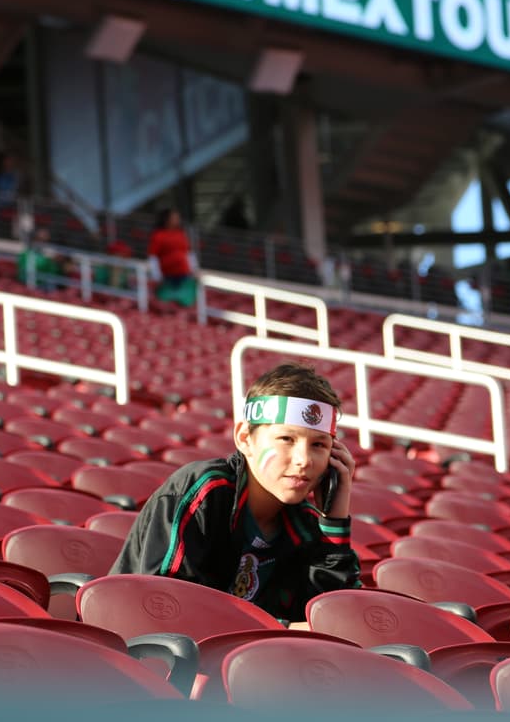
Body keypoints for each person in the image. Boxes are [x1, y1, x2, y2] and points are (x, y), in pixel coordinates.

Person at [110, 363, 361, 622]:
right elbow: (164, 609)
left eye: (319, 445)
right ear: (244, 438)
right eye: (287, 439)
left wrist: (334, 522)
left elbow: (334, 619)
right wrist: (282, 631)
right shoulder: (202, 493)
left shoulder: (306, 524)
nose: (304, 460)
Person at [148, 208, 197, 307]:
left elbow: (188, 253)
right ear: (166, 219)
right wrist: (156, 275)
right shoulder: (158, 235)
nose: (177, 220)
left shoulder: (181, 234)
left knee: (184, 301)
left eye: (177, 218)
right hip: (167, 275)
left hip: (183, 273)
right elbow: (153, 257)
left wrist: (194, 269)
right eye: (174, 218)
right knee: (166, 303)